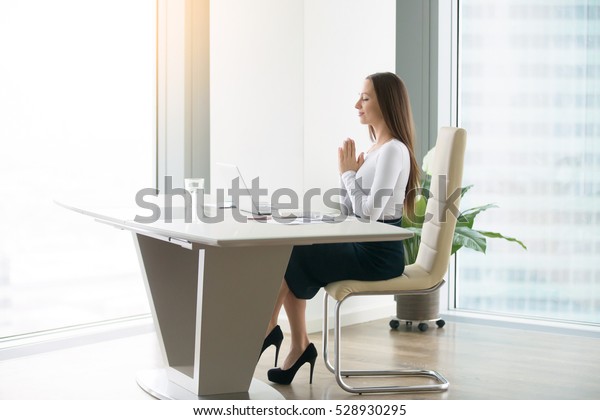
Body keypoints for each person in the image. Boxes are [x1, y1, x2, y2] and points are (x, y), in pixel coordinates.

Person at [260, 72, 420, 385]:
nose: (357, 104)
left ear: (386, 103)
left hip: (380, 255)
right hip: (363, 244)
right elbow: (350, 213)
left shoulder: (393, 150)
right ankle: (296, 343)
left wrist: (348, 175)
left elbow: (372, 214)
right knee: (296, 248)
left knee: (296, 253)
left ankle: (267, 331)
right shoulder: (375, 149)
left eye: (365, 97)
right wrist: (345, 175)